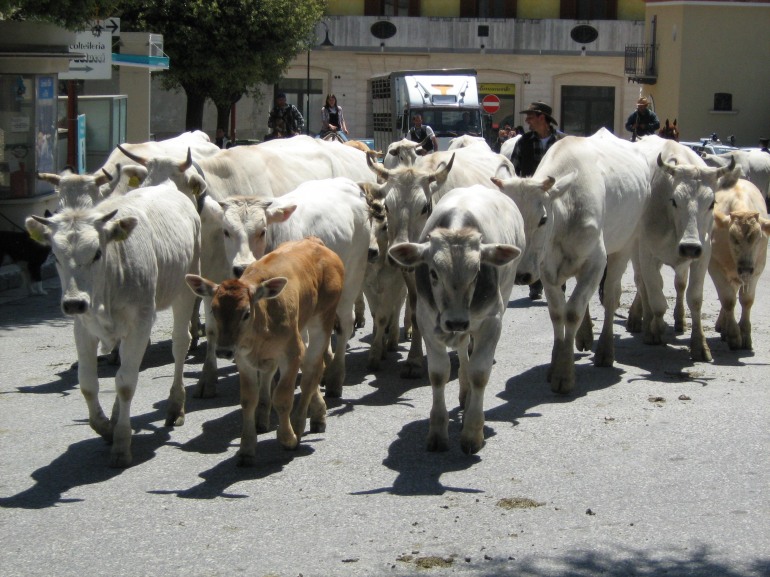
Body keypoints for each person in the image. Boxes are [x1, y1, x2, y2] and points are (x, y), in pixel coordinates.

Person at [510, 101, 566, 299]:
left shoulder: (562, 142)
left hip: (558, 201)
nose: (527, 120)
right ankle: (535, 281)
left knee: (557, 242)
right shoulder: (523, 142)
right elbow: (514, 171)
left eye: (531, 116)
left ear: (542, 118)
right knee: (534, 239)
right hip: (531, 202)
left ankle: (559, 281)